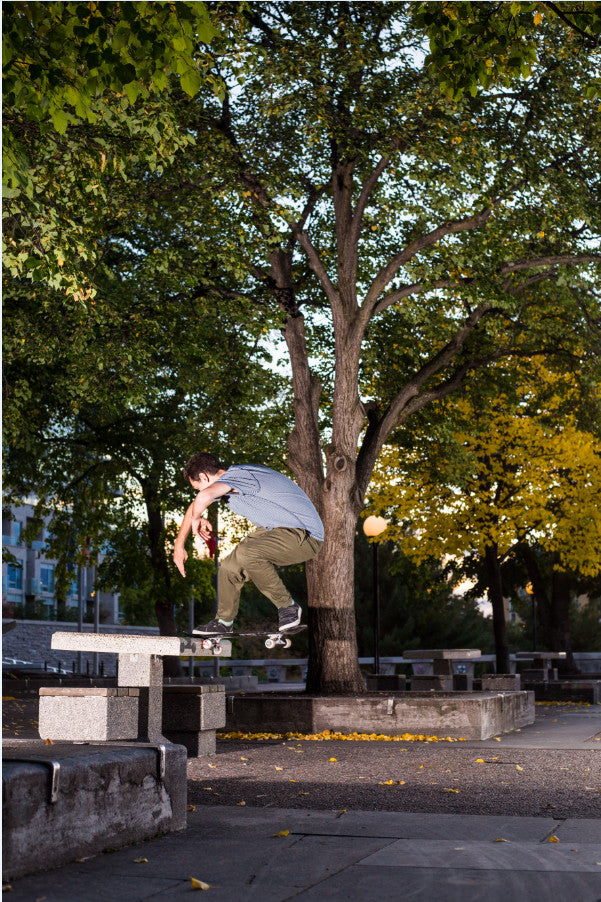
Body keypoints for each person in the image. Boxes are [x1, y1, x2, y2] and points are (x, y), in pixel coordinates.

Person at [173, 452, 324, 635]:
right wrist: (179, 546)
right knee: (229, 566)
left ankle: (287, 607)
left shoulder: (240, 475)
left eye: (197, 488)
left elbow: (203, 497)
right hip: (275, 530)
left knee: (248, 552)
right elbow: (194, 505)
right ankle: (224, 621)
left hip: (305, 535)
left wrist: (197, 518)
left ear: (205, 477)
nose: (199, 493)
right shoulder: (228, 484)